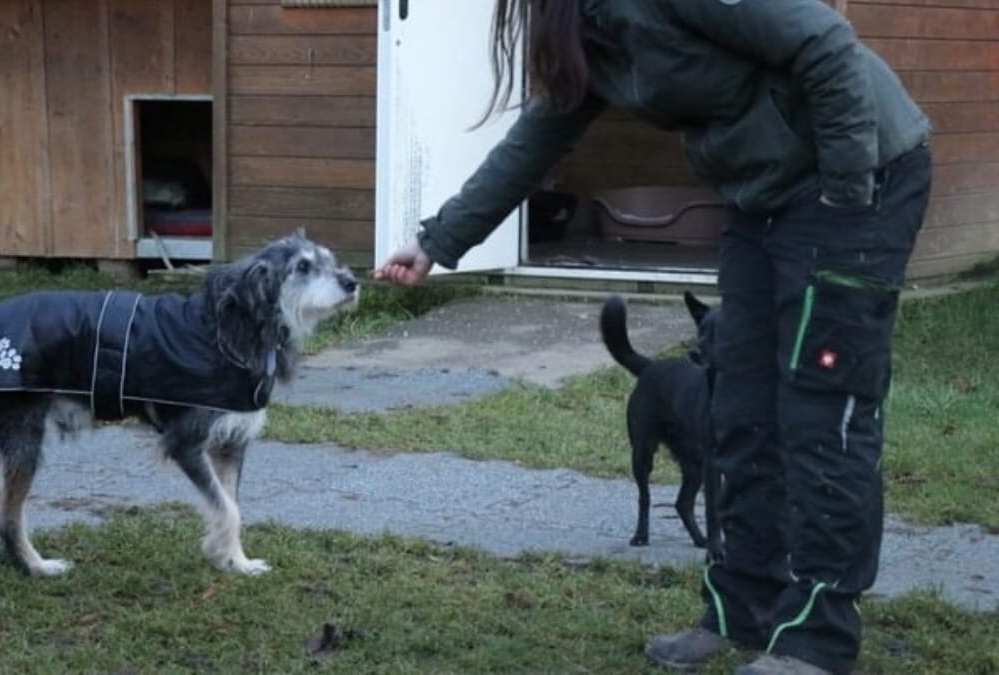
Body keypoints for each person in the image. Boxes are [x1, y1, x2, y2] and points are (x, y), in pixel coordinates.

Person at [372, 1, 932, 673]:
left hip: (857, 176)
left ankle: (818, 635)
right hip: (764, 194)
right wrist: (438, 240)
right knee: (741, 406)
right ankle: (743, 609)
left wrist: (846, 189)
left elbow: (826, 43)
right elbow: (541, 134)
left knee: (822, 409)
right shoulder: (584, 25)